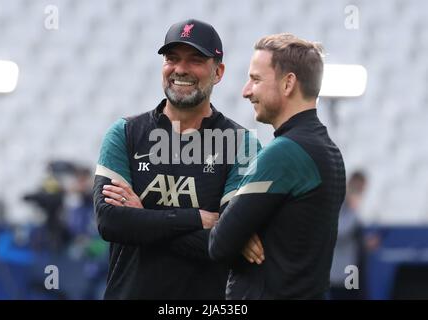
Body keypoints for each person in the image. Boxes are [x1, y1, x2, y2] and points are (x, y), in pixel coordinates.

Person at [93, 18, 260, 299]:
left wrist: (143, 219)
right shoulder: (125, 133)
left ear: (218, 72)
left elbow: (230, 245)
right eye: (172, 58)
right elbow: (111, 223)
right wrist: (195, 219)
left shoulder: (241, 144)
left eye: (195, 60)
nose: (180, 69)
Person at [208, 33, 346, 299]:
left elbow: (219, 243)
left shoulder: (284, 153)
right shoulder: (327, 148)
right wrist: (239, 232)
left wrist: (234, 232)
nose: (246, 91)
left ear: (288, 83)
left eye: (256, 79)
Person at [330, 170, 367, 299]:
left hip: (352, 267)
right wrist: (353, 210)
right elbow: (339, 231)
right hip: (341, 270)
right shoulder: (341, 202)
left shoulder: (351, 206)